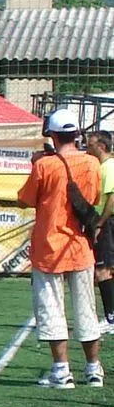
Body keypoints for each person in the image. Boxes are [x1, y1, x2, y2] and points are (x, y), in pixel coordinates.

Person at [19, 111, 103, 388]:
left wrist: (36, 165)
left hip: (49, 246)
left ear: (52, 135)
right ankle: (94, 368)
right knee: (87, 310)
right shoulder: (92, 163)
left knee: (51, 309)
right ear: (76, 134)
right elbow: (94, 198)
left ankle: (61, 370)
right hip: (79, 244)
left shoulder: (45, 165)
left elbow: (26, 199)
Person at [89, 130, 114, 333]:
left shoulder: (109, 167)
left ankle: (110, 317)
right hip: (105, 222)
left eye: (91, 145)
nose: (88, 149)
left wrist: (100, 223)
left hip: (107, 224)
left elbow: (111, 199)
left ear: (102, 147)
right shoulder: (103, 167)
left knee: (103, 270)